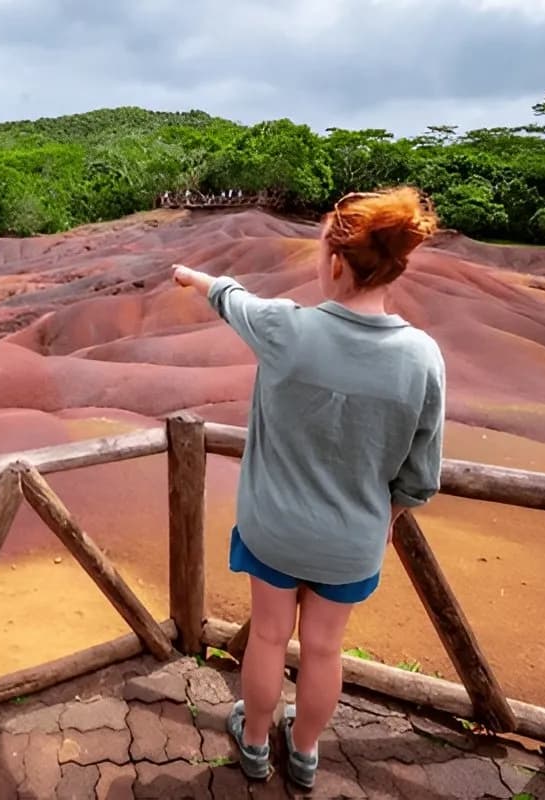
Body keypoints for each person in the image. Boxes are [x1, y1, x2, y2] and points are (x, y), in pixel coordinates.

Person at [171, 186, 445, 790]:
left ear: (339, 263)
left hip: (275, 527)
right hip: (351, 541)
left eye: (322, 251)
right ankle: (304, 753)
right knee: (323, 650)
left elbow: (232, 298)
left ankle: (252, 744)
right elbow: (421, 475)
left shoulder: (286, 329)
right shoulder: (422, 358)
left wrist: (193, 276)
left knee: (269, 636)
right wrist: (384, 521)